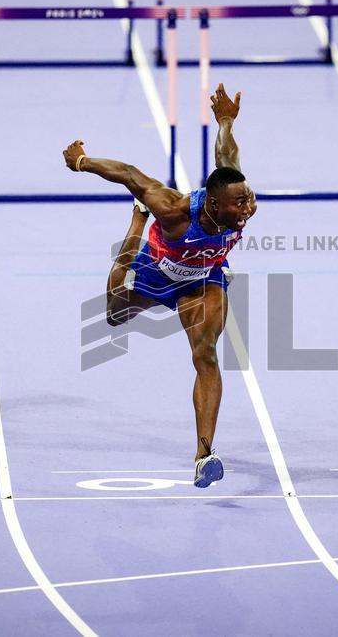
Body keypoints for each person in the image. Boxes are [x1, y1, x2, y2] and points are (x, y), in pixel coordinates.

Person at [63, 83, 256, 487]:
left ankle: (205, 454)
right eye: (239, 204)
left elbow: (227, 155)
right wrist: (82, 161)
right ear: (215, 205)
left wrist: (225, 121)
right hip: (156, 272)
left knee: (205, 353)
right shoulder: (173, 211)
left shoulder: (236, 198)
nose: (248, 209)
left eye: (248, 200)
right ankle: (134, 224)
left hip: (203, 280)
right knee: (114, 316)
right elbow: (130, 174)